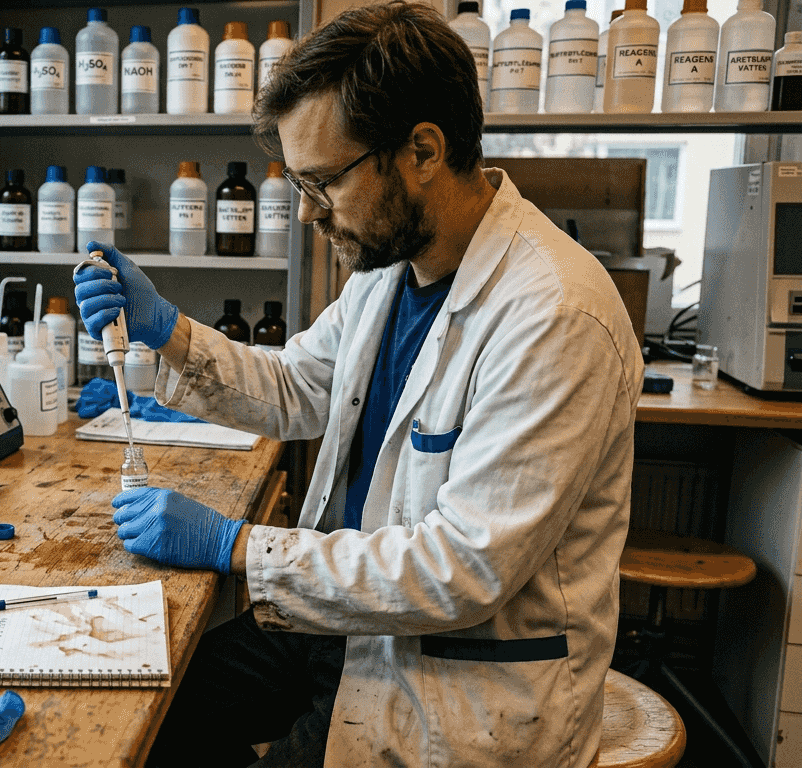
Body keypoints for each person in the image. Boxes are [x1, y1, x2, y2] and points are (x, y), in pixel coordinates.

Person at [71, 2, 644, 766]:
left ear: (423, 151)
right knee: (156, 706)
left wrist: (235, 545)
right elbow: (295, 387)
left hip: (456, 679)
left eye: (323, 183)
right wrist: (165, 329)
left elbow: (463, 570)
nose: (310, 215)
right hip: (346, 621)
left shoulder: (555, 314)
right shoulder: (391, 270)